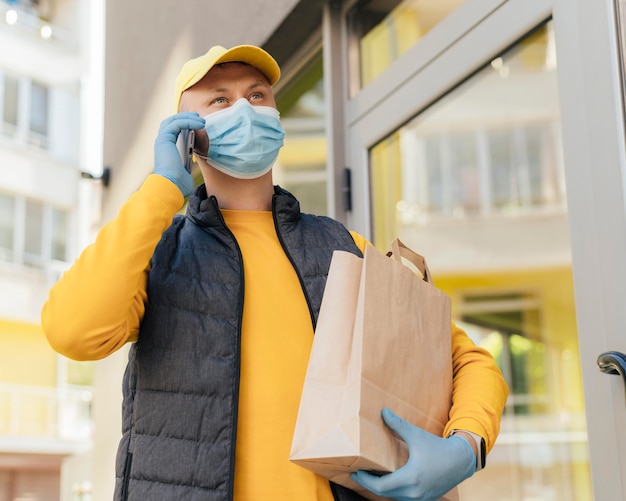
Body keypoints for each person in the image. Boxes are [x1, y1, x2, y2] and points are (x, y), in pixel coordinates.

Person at [41, 45, 508, 501]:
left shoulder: (344, 247)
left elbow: (464, 359)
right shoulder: (157, 254)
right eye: (220, 99)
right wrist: (161, 189)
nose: (245, 107)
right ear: (187, 136)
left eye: (257, 94)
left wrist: (465, 447)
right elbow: (74, 330)